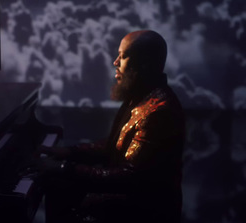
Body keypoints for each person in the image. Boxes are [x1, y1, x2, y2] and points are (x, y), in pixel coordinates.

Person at [36, 30, 185, 223]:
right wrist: (69, 152)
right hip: (130, 199)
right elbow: (114, 145)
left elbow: (129, 176)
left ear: (144, 64)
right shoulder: (140, 97)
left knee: (59, 187)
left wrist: (64, 168)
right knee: (59, 186)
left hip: (145, 211)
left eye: (122, 56)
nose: (115, 62)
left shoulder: (159, 111)